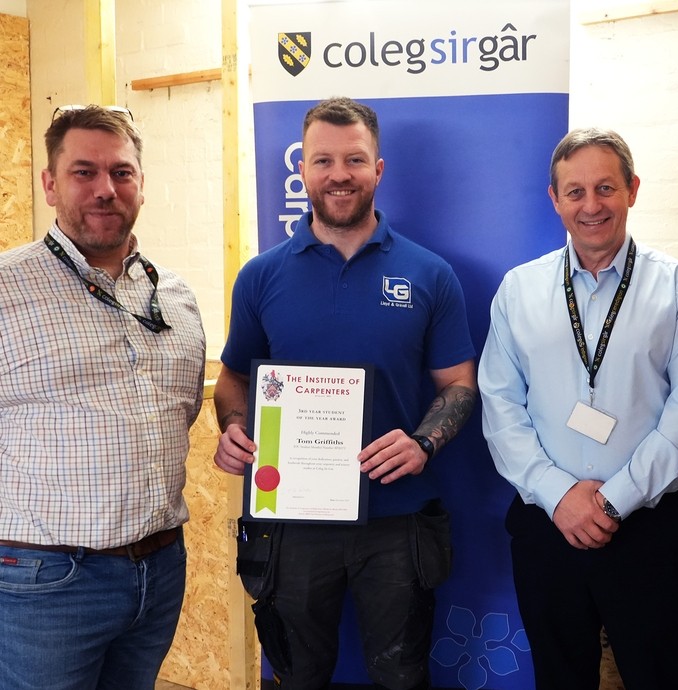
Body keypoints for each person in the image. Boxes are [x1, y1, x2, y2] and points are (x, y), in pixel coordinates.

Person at [213, 97, 477, 690]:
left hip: (399, 520)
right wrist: (231, 426)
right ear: (301, 171)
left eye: (354, 159)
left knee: (401, 678)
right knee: (297, 677)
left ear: (378, 170)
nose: (339, 174)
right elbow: (232, 378)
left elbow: (459, 384)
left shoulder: (430, 274)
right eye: (323, 160)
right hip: (293, 522)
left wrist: (424, 443)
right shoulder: (261, 275)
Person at [478, 127, 678, 690]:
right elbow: (500, 404)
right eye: (576, 191)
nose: (592, 206)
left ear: (633, 190)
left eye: (606, 188)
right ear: (555, 199)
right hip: (548, 525)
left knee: (663, 676)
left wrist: (615, 500)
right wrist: (559, 493)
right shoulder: (519, 290)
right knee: (560, 677)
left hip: (649, 528)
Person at [0, 105, 206, 689]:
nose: (104, 190)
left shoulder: (178, 297)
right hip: (44, 581)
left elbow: (180, 414)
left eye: (121, 172)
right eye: (83, 172)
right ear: (49, 183)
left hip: (160, 569)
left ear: (140, 182)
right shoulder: (5, 288)